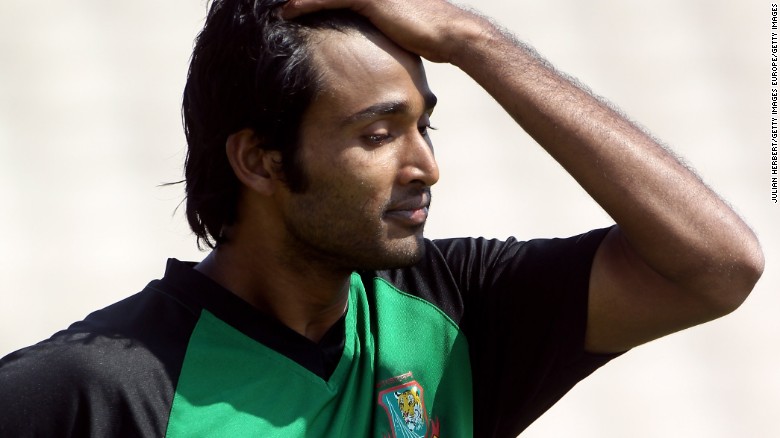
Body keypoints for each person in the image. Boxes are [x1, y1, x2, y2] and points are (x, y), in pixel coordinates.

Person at [0, 0, 764, 436]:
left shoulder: (452, 311)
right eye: (377, 134)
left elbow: (716, 267)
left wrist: (472, 40)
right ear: (260, 160)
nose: (425, 165)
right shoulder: (97, 392)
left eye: (424, 127)